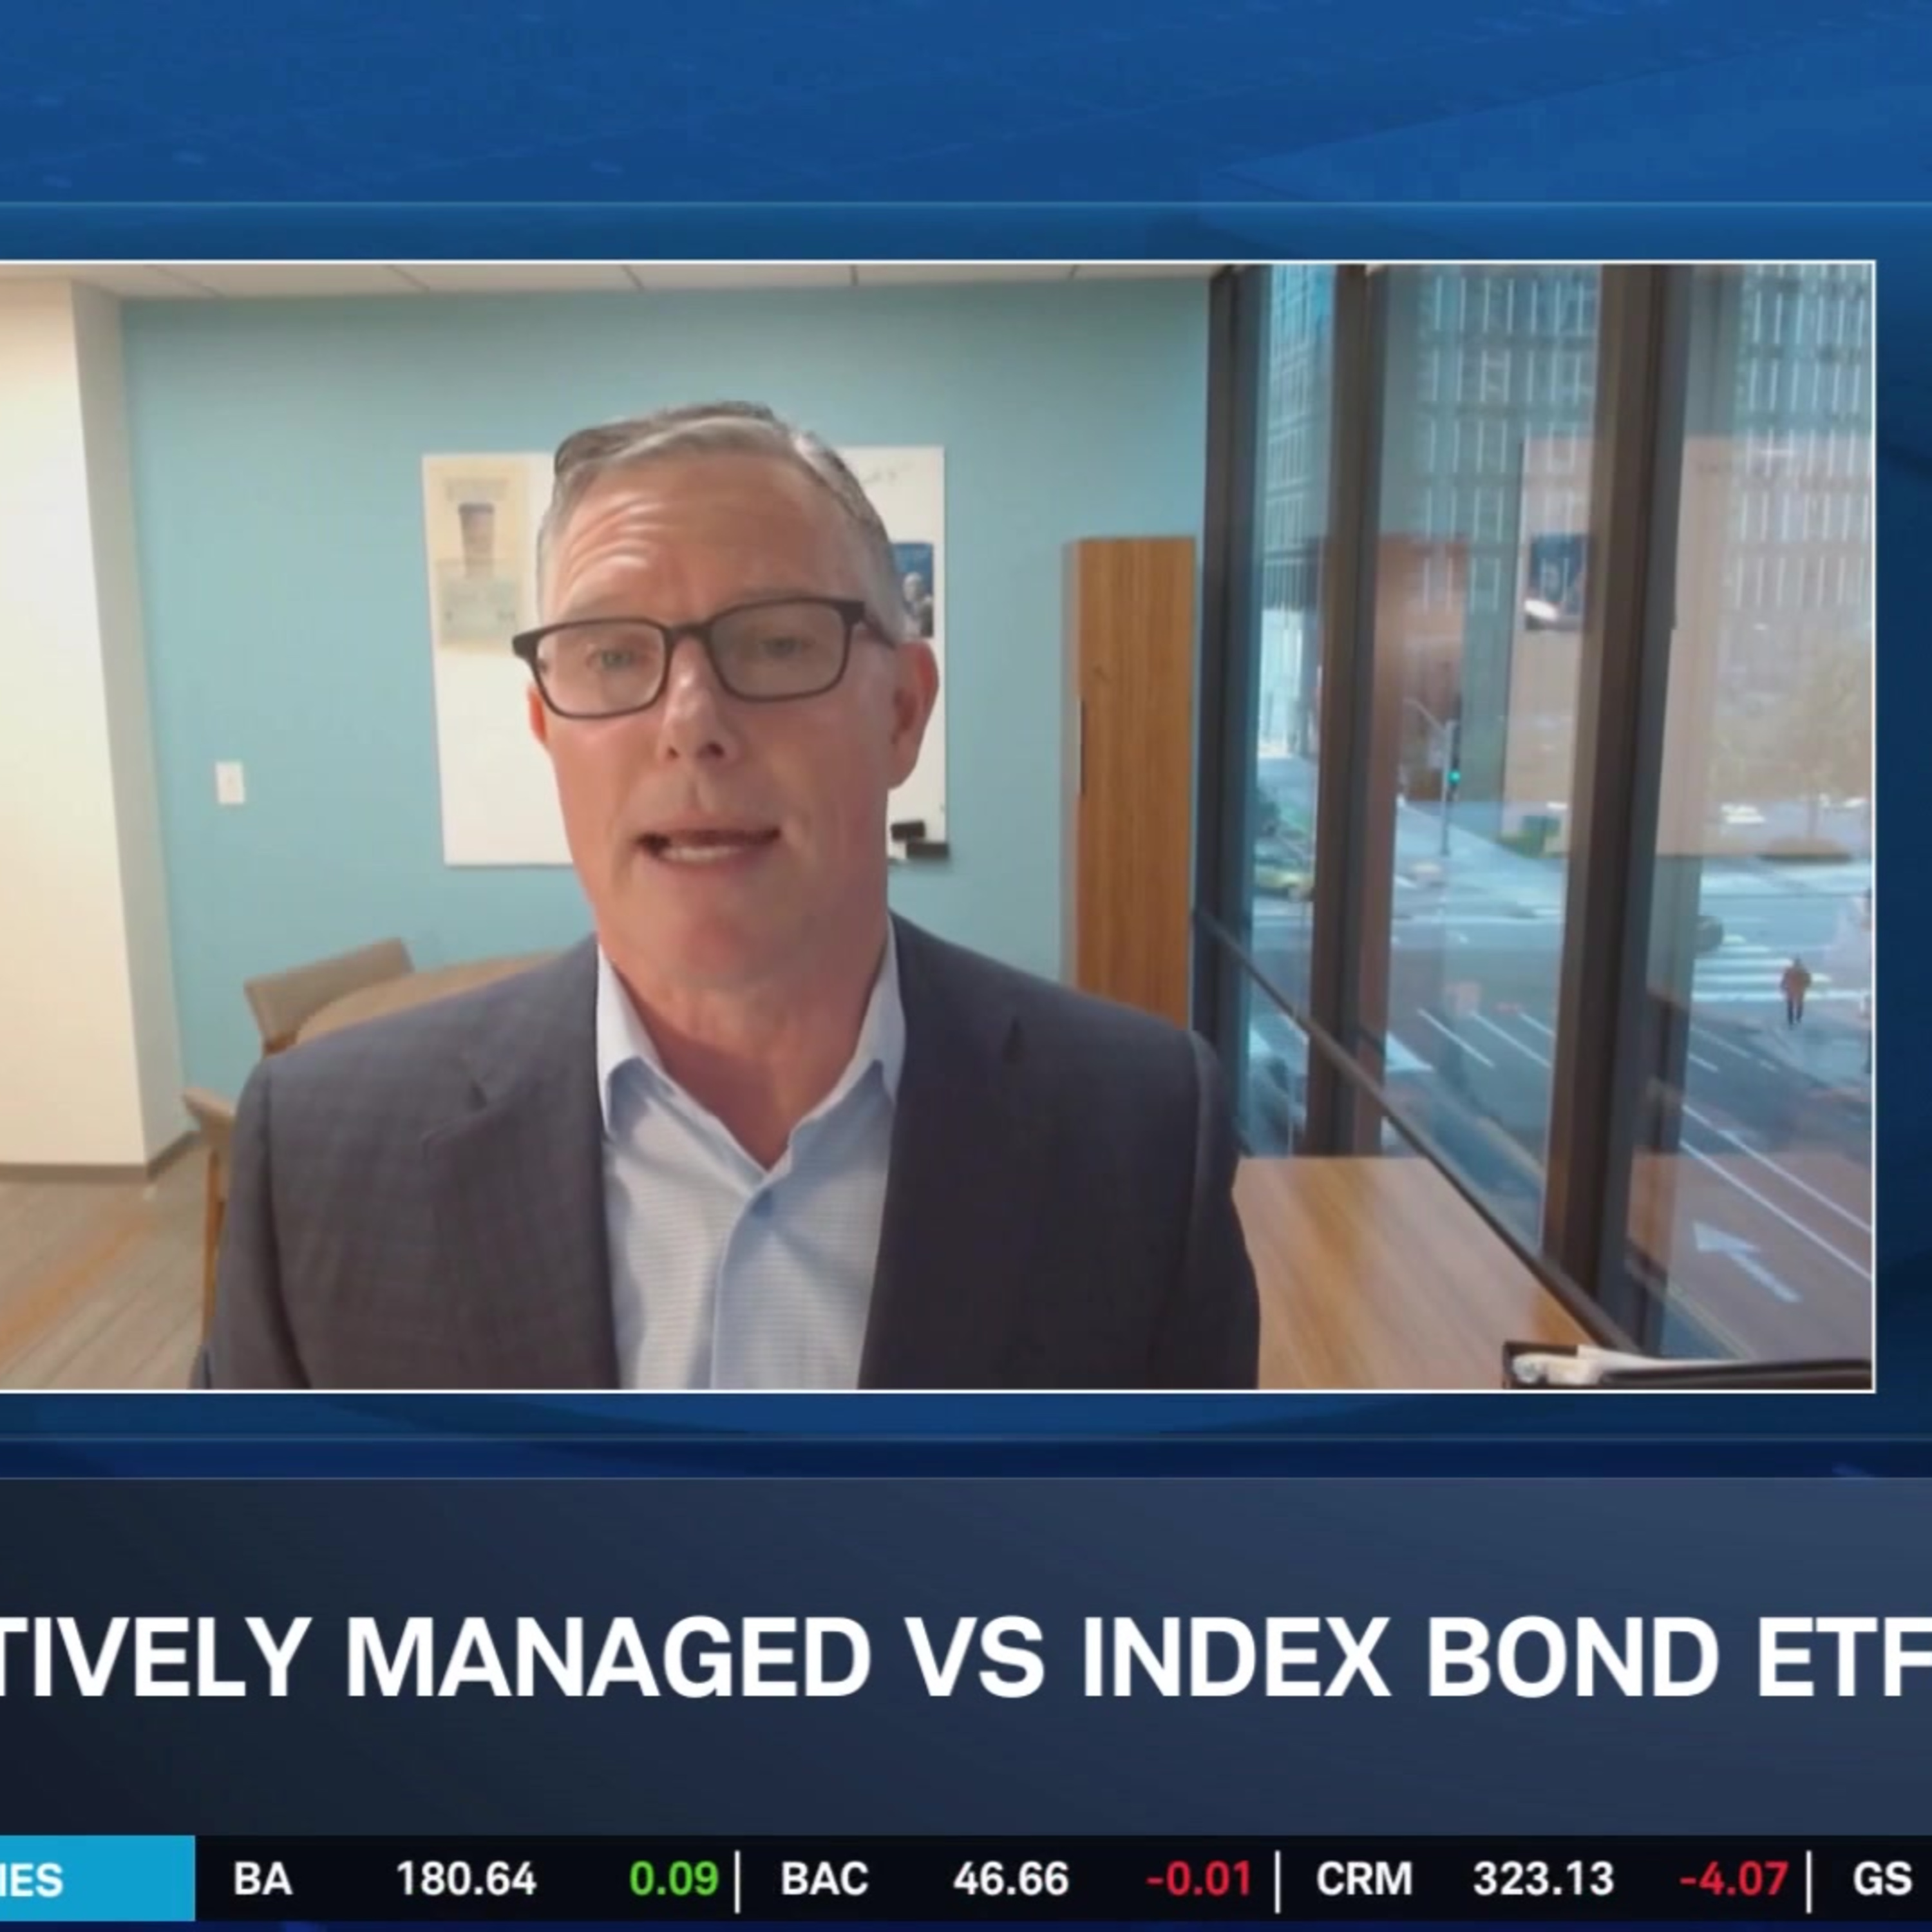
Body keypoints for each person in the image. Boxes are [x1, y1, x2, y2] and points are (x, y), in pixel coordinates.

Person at [196, 401, 1259, 1391]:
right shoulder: (322, 1161)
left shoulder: (1140, 1138)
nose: (691, 723)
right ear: (547, 731)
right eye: (613, 656)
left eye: (778, 642)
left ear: (903, 712)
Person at [1781, 956, 1813, 1027]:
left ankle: (1790, 1020)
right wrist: (1806, 986)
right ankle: (1798, 1019)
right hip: (1800, 990)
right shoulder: (1804, 971)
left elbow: (1784, 979)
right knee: (1799, 1005)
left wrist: (1783, 986)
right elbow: (1808, 981)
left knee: (1790, 1005)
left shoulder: (1789, 970)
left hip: (1791, 990)